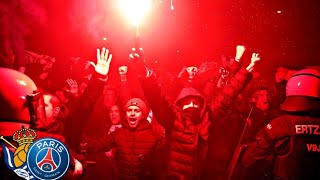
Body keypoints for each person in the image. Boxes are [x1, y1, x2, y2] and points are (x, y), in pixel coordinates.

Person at [135, 47, 261, 179]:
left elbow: (227, 95)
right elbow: (157, 100)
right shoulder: (173, 119)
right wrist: (143, 73)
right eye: (187, 103)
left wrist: (249, 67)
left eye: (195, 103)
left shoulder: (207, 117)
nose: (192, 106)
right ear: (180, 105)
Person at [0, 67, 82, 179]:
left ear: (56, 111)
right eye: (38, 103)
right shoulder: (29, 132)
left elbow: (81, 113)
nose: (38, 107)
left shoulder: (60, 134)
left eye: (44, 105)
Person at [241, 68, 320, 179]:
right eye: (262, 96)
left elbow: (248, 159)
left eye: (266, 95)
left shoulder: (281, 125)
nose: (266, 98)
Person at [84, 98, 163, 179]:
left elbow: (160, 165)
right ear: (125, 114)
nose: (132, 113)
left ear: (143, 115)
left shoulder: (154, 136)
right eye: (129, 110)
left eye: (136, 111)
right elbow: (100, 144)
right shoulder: (118, 134)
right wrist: (81, 143)